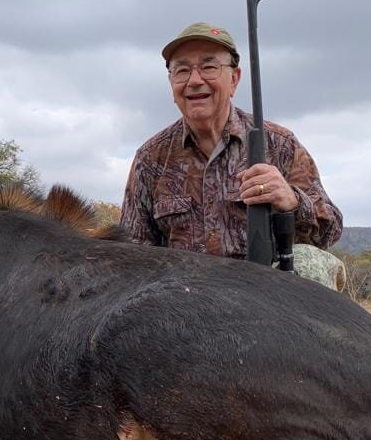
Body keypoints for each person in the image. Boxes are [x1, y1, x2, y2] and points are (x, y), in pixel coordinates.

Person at [121, 22, 342, 262]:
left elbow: (329, 232)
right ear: (171, 82)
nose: (194, 80)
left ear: (234, 79)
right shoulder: (150, 158)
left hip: (266, 292)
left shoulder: (279, 144)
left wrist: (292, 202)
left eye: (209, 67)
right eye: (182, 70)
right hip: (183, 295)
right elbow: (132, 253)